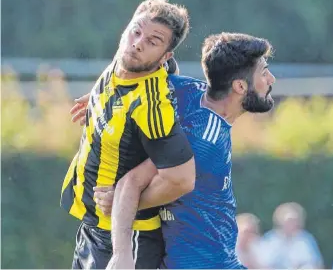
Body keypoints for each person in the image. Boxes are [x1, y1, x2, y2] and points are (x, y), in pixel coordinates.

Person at [75, 32, 276, 268]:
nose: (271, 78)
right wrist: (122, 211)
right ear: (240, 86)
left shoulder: (189, 90)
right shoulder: (204, 140)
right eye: (263, 72)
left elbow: (148, 76)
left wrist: (106, 96)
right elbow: (132, 182)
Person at [60, 0, 195, 269]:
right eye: (136, 31)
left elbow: (181, 179)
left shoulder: (152, 105)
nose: (137, 43)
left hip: (127, 239)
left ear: (164, 56)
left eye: (153, 42)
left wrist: (124, 204)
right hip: (92, 227)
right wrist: (99, 99)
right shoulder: (126, 59)